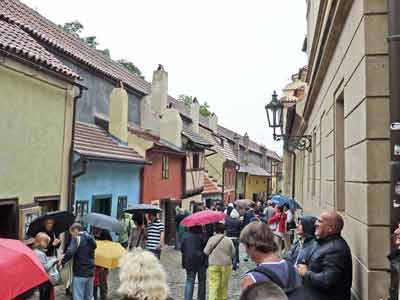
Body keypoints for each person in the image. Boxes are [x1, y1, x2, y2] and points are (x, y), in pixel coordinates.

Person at [296, 212, 352, 300]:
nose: (315, 224)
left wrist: (306, 273)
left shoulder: (336, 249)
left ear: (330, 228)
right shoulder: (323, 243)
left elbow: (327, 281)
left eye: (320, 221)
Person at [240, 222, 302, 296]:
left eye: (245, 247)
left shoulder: (251, 279)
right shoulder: (292, 268)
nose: (246, 251)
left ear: (252, 246)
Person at [61, 223, 97, 300]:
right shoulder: (90, 238)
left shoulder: (77, 238)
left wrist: (63, 261)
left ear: (76, 230)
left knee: (78, 296)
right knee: (89, 296)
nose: (72, 236)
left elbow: (70, 252)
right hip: (90, 272)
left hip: (80, 272)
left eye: (72, 234)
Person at [204, 222, 235, 300]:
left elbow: (206, 251)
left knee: (213, 285)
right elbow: (233, 253)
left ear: (215, 230)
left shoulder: (211, 239)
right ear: (224, 231)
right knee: (224, 285)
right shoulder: (228, 240)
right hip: (226, 265)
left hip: (213, 264)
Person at [180, 225, 208, 300]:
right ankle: (201, 298)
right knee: (202, 281)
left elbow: (182, 248)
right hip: (201, 261)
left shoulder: (185, 236)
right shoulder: (202, 235)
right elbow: (206, 249)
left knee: (189, 281)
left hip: (189, 261)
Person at [33, 232, 58, 300]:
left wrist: (49, 259)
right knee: (45, 296)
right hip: (45, 279)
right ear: (41, 242)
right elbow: (45, 267)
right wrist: (53, 261)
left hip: (42, 279)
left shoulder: (37, 251)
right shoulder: (39, 253)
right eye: (46, 242)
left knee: (44, 295)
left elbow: (42, 262)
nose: (47, 244)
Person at [92, 227, 112, 300]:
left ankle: (103, 297)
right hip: (95, 263)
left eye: (94, 228)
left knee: (103, 283)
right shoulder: (93, 236)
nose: (93, 230)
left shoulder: (106, 234)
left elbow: (108, 248)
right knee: (94, 283)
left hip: (104, 264)